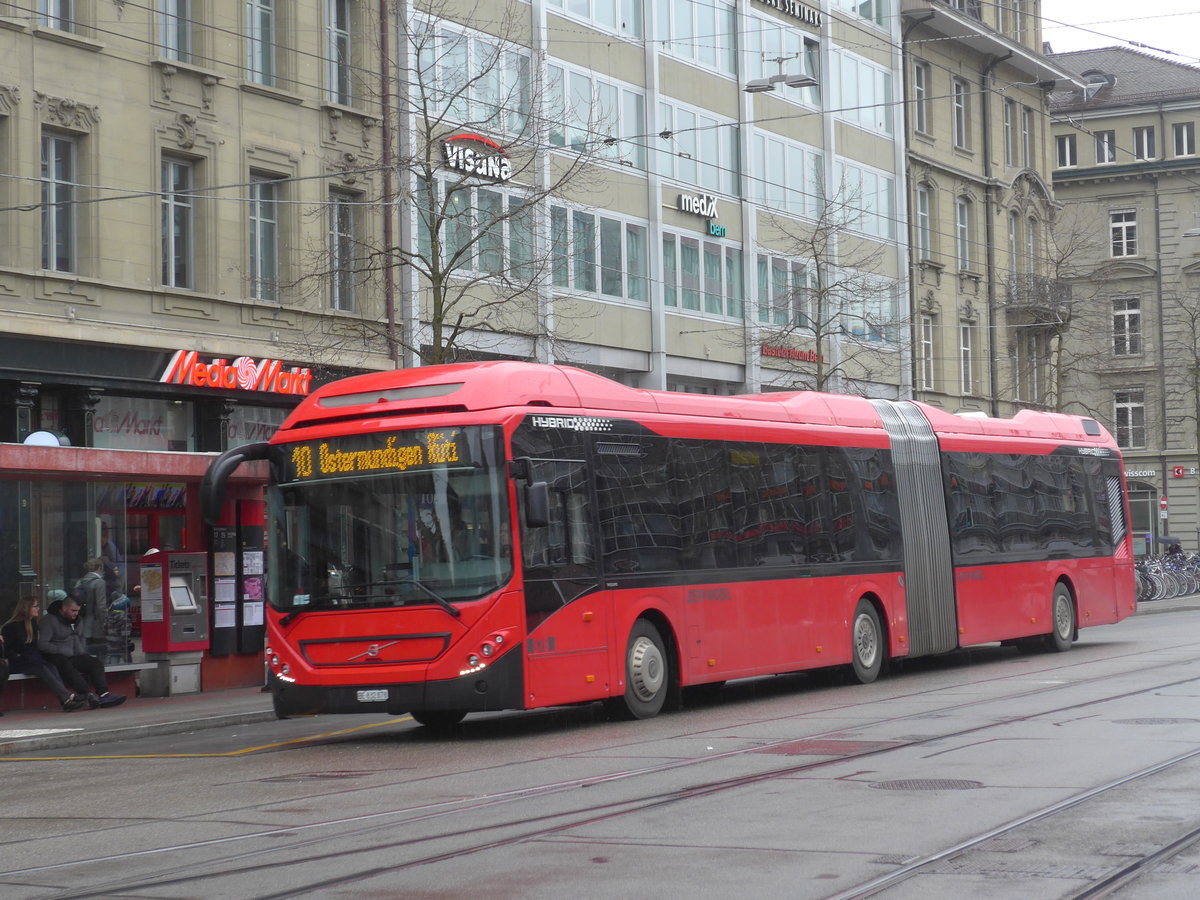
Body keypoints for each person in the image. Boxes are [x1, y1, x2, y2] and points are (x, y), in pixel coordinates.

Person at [1, 596, 89, 712]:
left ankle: (66, 700)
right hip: (17, 660)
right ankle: (68, 696)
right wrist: (18, 656)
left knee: (51, 666)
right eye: (35, 606)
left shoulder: (32, 623)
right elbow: (7, 649)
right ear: (26, 608)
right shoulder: (12, 626)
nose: (38, 608)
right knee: (41, 668)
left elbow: (33, 646)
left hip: (31, 659)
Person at [37, 596, 125, 709]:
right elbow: (42, 643)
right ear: (64, 608)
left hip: (75, 654)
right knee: (67, 666)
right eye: (73, 610)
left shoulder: (78, 620)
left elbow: (81, 637)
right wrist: (59, 650)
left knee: (95, 663)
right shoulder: (49, 620)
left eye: (78, 611)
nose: (75, 613)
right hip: (57, 656)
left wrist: (81, 649)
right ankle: (88, 695)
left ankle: (104, 695)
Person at [73, 558, 109, 657]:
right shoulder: (99, 582)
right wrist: (105, 622)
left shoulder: (80, 581)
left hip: (81, 622)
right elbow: (101, 606)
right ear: (100, 567)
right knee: (100, 650)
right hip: (95, 623)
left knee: (85, 649)